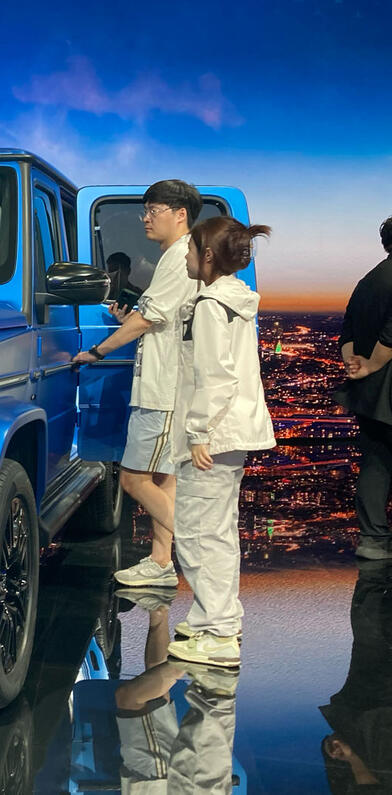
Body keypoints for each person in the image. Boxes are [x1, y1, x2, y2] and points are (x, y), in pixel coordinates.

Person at [73, 181, 204, 589]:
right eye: (145, 210)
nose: (146, 217)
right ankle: (161, 562)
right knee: (165, 478)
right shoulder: (175, 258)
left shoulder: (180, 256)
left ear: (180, 214)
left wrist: (97, 351)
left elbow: (148, 319)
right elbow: (153, 315)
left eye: (154, 209)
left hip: (163, 390)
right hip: (169, 385)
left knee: (133, 479)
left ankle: (206, 551)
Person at [164, 217, 275, 668]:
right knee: (219, 532)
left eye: (190, 250)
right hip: (233, 435)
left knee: (196, 533)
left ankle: (219, 631)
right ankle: (217, 616)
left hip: (213, 436)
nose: (185, 257)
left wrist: (197, 434)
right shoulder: (234, 301)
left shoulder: (211, 306)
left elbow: (214, 378)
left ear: (207, 256)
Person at [334, 216, 392, 560]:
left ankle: (373, 540)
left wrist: (354, 363)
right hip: (384, 380)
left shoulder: (368, 280)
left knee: (376, 463)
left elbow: (348, 331)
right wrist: (372, 363)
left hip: (370, 394)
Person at [319, 560, 392, 792]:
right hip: (368, 713)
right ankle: (374, 556)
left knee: (368, 623)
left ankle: (374, 555)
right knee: (368, 623)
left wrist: (343, 753)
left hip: (363, 710)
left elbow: (333, 758)